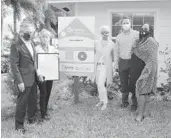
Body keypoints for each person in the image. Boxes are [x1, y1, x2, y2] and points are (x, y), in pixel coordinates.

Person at [10, 18, 43, 133]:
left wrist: (38, 73)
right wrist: (19, 82)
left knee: (33, 100)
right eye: (28, 31)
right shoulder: (16, 45)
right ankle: (19, 126)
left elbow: (33, 61)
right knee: (22, 103)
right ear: (21, 31)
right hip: (23, 80)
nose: (30, 33)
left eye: (31, 31)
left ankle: (32, 119)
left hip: (33, 78)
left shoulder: (32, 43)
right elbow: (14, 66)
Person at [114, 15, 140, 111]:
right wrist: (116, 64)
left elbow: (142, 46)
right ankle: (124, 102)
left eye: (127, 22)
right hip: (122, 62)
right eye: (124, 23)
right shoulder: (118, 37)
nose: (126, 24)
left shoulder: (137, 34)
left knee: (133, 83)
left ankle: (134, 104)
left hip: (133, 62)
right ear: (121, 24)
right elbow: (116, 51)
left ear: (130, 23)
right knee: (124, 83)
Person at [134, 23, 158, 122]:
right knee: (147, 91)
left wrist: (134, 45)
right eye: (142, 28)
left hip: (150, 67)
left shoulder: (150, 40)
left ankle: (139, 115)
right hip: (150, 66)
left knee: (141, 89)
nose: (143, 30)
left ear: (150, 30)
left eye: (146, 28)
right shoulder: (147, 40)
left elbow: (138, 49)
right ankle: (145, 113)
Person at [88, 25, 115, 110]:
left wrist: (113, 68)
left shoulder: (112, 44)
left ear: (109, 33)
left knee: (100, 84)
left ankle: (105, 102)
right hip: (97, 66)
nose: (105, 34)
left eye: (107, 32)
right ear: (101, 33)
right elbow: (91, 52)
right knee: (98, 84)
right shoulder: (96, 43)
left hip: (105, 67)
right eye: (103, 33)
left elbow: (113, 57)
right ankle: (101, 100)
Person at [35, 29, 58, 121]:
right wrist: (39, 74)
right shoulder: (37, 49)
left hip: (50, 73)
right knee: (43, 93)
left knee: (48, 93)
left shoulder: (53, 48)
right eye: (43, 37)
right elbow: (35, 63)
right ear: (40, 38)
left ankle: (45, 110)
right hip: (41, 74)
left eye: (46, 37)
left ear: (49, 38)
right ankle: (43, 114)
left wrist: (57, 57)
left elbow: (56, 59)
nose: (45, 39)